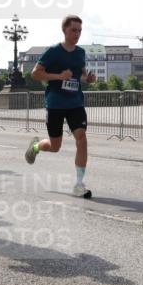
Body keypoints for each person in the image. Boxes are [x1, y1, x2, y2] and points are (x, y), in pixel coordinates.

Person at [25, 14, 97, 198]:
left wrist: (86, 78)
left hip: (75, 102)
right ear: (64, 30)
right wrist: (58, 77)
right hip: (56, 102)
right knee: (55, 146)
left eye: (79, 31)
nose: (77, 34)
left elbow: (79, 74)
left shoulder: (81, 53)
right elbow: (35, 73)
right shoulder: (53, 51)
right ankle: (35, 147)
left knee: (82, 138)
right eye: (73, 30)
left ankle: (79, 184)